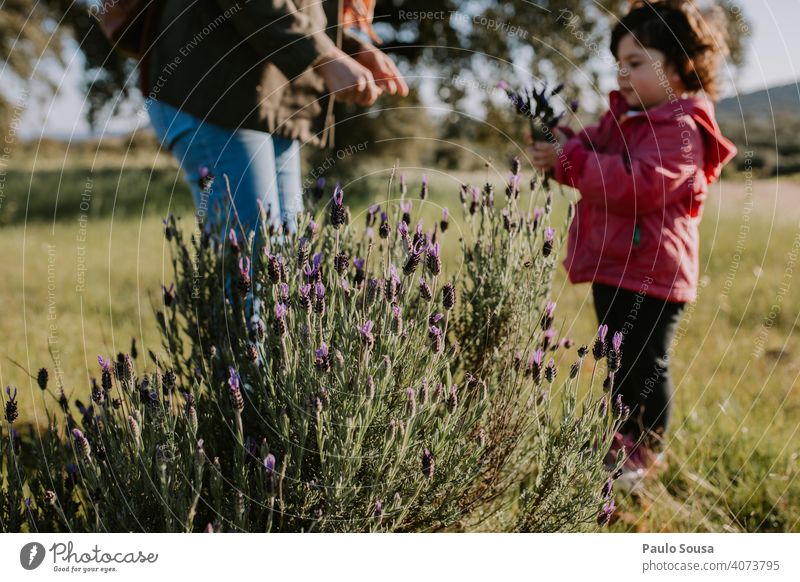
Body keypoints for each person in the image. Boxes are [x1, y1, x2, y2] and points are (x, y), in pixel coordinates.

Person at [529, 0, 737, 489]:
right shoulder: (622, 119)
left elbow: (639, 184)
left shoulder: (681, 129)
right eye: (619, 64)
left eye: (637, 63)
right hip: (615, 265)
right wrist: (557, 136)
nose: (622, 74)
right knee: (619, 360)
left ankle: (642, 456)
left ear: (680, 66)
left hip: (655, 273)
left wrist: (570, 159)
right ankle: (621, 443)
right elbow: (591, 148)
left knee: (645, 364)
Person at [142, 0, 408, 249]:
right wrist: (325, 55)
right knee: (252, 258)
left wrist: (350, 49)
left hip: (266, 104)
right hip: (213, 96)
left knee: (285, 260)